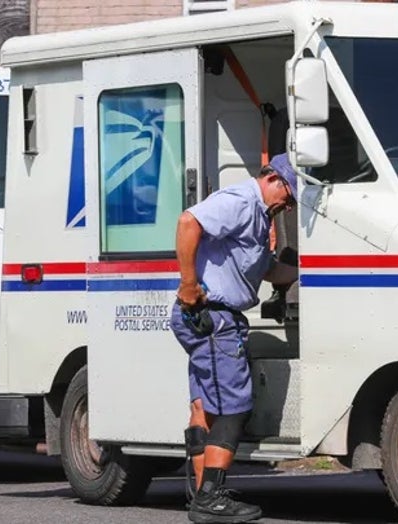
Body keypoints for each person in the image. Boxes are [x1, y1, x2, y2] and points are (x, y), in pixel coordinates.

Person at [170, 153, 299, 524]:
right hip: (214, 317)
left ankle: (201, 495)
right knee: (234, 406)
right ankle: (211, 497)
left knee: (205, 408)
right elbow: (187, 222)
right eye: (288, 195)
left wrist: (310, 271)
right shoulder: (242, 201)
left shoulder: (260, 217)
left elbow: (268, 269)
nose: (287, 205)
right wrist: (188, 283)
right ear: (272, 178)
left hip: (211, 317)